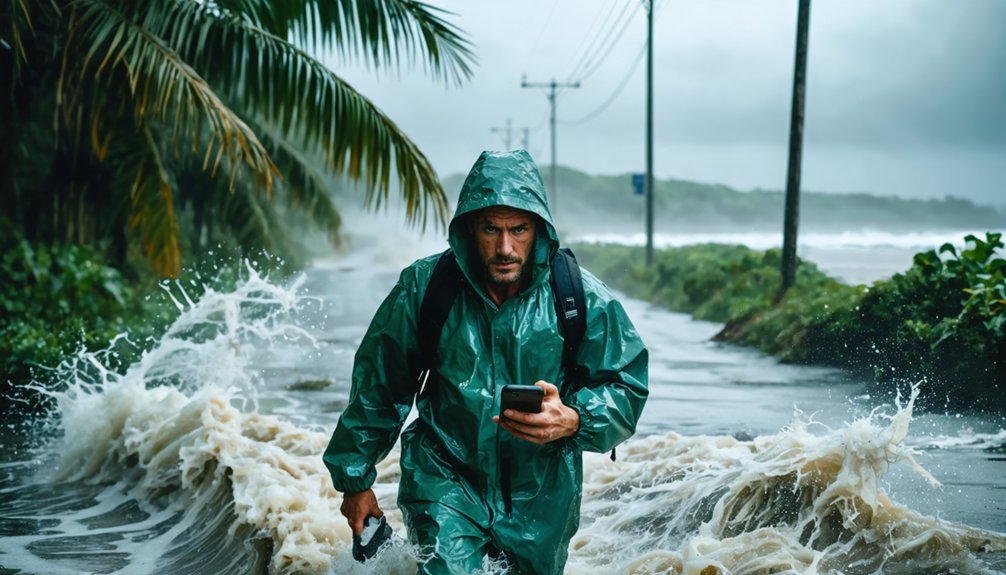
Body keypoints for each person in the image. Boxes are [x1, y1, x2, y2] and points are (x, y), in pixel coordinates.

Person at [323, 150, 648, 574]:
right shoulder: (426, 289)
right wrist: (355, 479)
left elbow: (626, 384)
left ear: (539, 230)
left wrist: (574, 418)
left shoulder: (578, 298)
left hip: (543, 496)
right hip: (443, 478)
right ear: (469, 228)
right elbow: (380, 386)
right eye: (490, 229)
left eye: (519, 229)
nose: (505, 247)